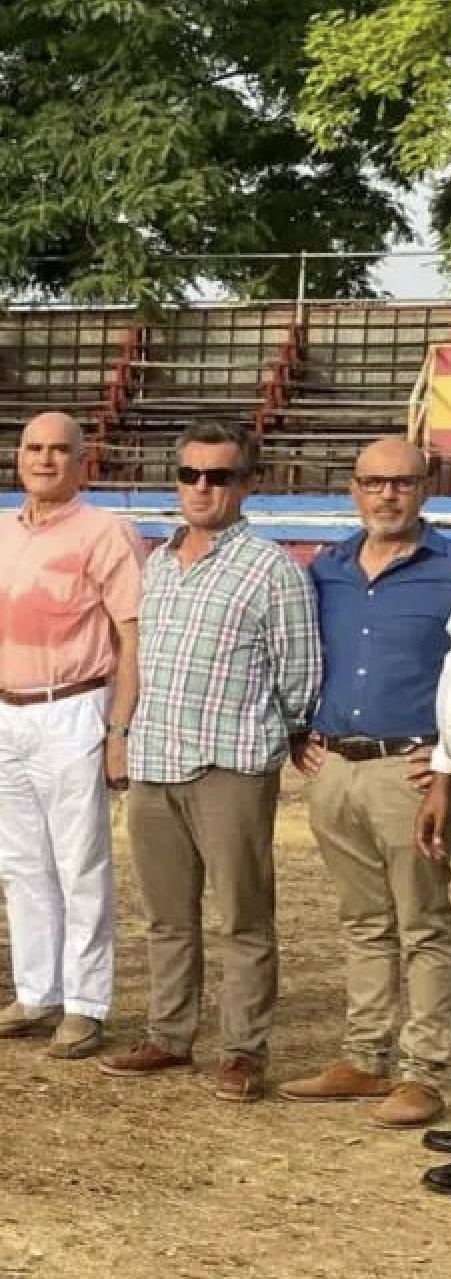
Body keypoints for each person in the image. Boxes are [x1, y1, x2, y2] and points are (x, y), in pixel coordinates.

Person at [98, 422, 320, 1103]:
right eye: (190, 474)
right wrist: (125, 733)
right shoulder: (158, 563)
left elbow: (300, 675)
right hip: (158, 756)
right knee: (167, 915)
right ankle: (170, 1035)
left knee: (243, 917)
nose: (201, 487)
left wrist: (267, 737)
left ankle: (243, 1051)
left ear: (245, 485)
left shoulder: (272, 569)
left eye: (217, 476)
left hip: (231, 764)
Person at [0, 411, 144, 1061]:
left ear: (81, 460)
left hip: (72, 707)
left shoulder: (106, 533)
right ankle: (35, 991)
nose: (44, 459)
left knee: (79, 862)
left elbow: (130, 635)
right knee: (19, 863)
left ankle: (86, 1005)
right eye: (33, 447)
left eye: (59, 450)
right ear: (18, 456)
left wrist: (120, 727)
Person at [284, 438, 451, 1132]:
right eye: (374, 483)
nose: (388, 495)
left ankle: (426, 1070)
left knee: (426, 923)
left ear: (428, 486)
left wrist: (448, 770)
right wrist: (300, 730)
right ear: (353, 489)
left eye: (403, 483)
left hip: (411, 769)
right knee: (363, 921)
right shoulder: (329, 570)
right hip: (338, 767)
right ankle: (364, 1056)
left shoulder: (448, 569)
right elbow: (301, 654)